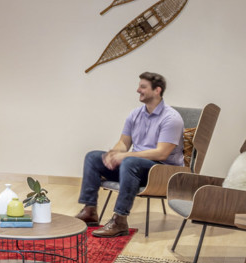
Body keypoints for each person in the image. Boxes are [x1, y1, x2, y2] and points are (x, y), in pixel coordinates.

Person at [75, 72, 184, 237]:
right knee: (93, 157)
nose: (138, 90)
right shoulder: (135, 114)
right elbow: (124, 143)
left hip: (162, 172)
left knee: (130, 161)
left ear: (157, 90)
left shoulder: (171, 118)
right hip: (133, 168)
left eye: (143, 87)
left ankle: (120, 220)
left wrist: (126, 156)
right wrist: (113, 154)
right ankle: (89, 211)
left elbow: (162, 154)